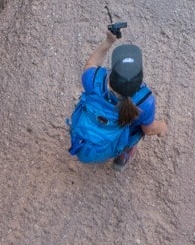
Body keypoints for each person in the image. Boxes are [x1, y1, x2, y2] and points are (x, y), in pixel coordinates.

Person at [68, 27, 165, 169]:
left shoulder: (94, 81)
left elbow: (91, 64)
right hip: (111, 146)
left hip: (84, 136)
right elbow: (149, 130)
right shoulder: (144, 102)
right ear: (140, 82)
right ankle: (123, 154)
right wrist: (163, 126)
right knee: (138, 127)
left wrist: (108, 41)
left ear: (111, 75)